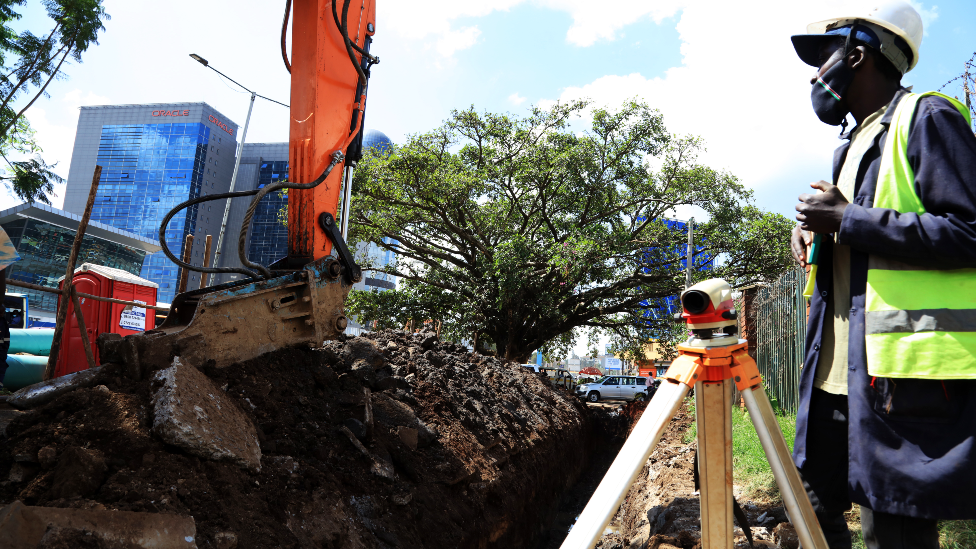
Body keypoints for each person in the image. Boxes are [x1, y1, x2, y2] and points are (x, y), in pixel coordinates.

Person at [789, 2, 976, 548]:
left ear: (858, 53)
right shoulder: (851, 145)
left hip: (897, 378)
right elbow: (862, 235)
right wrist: (818, 233)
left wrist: (849, 219)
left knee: (891, 530)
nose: (815, 73)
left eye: (823, 55)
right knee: (814, 513)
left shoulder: (928, 118)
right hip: (831, 377)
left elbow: (968, 230)